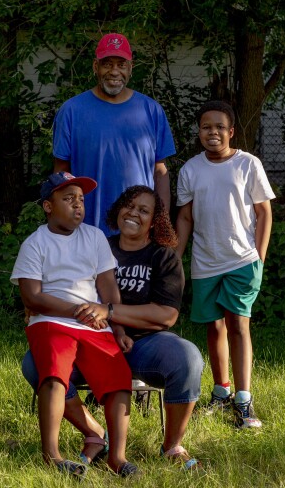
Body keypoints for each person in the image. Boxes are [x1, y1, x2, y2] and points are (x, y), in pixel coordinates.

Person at [22, 185, 204, 470]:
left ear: (155, 220)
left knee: (188, 358)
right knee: (35, 365)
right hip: (89, 332)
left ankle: (171, 446)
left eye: (144, 210)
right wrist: (38, 302)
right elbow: (57, 280)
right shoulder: (95, 242)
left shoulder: (163, 257)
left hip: (144, 343)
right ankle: (94, 433)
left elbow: (166, 315)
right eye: (129, 206)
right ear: (118, 209)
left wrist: (112, 314)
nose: (134, 213)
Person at [11, 171, 139, 479]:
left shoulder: (94, 237)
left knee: (119, 379)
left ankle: (117, 458)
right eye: (68, 199)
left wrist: (118, 327)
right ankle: (52, 455)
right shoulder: (35, 243)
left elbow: (108, 288)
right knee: (55, 375)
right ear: (48, 206)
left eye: (81, 200)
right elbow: (32, 296)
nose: (78, 206)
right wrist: (74, 309)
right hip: (51, 321)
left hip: (93, 322)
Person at [175, 100, 275, 429]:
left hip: (242, 260)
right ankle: (221, 394)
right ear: (199, 132)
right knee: (213, 326)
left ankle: (244, 401)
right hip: (205, 261)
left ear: (231, 132)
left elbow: (263, 212)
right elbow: (186, 216)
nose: (213, 132)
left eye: (219, 127)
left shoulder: (248, 164)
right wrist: (177, 255)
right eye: (206, 127)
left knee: (238, 325)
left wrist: (259, 256)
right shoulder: (190, 169)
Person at [52, 32, 176, 236]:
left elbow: (160, 172)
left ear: (131, 67)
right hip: (87, 231)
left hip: (138, 231)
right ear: (95, 67)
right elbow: (61, 174)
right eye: (107, 64)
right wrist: (64, 226)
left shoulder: (151, 111)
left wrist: (161, 223)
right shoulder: (72, 111)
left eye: (121, 64)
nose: (114, 71)